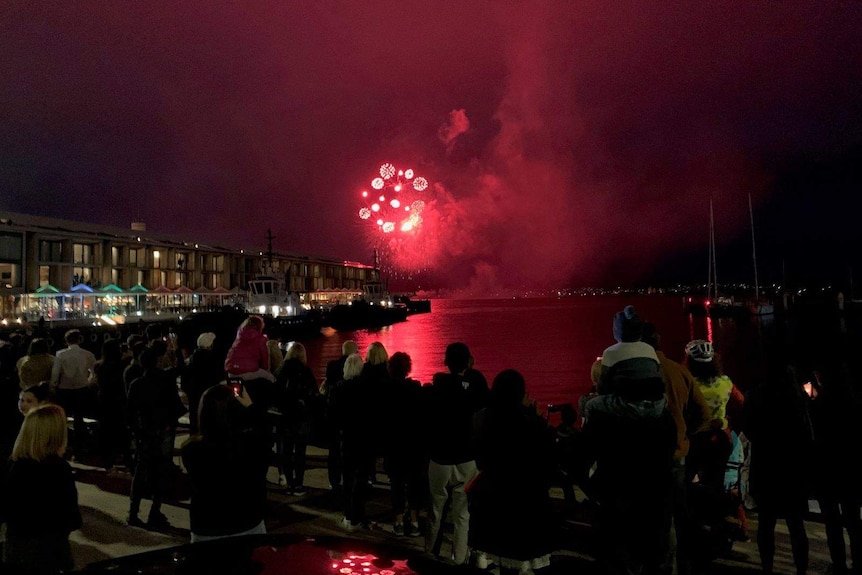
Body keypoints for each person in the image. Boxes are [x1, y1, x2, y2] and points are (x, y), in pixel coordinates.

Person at [581, 357, 677, 575]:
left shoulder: (603, 416)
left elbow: (585, 453)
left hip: (618, 499)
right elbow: (670, 451)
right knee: (657, 556)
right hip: (657, 497)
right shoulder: (664, 416)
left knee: (621, 557)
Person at [469, 369, 556, 575]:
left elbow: (481, 461)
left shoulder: (484, 421)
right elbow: (547, 462)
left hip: (496, 500)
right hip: (528, 502)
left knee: (504, 560)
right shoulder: (532, 424)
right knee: (532, 559)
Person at [642, 323, 711, 575]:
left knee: (657, 516)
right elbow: (705, 414)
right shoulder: (679, 371)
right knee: (679, 512)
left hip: (648, 457)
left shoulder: (638, 374)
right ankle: (687, 561)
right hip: (678, 455)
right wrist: (686, 434)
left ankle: (663, 565)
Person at [742, 353, 812, 575]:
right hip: (792, 467)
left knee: (766, 522)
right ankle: (801, 569)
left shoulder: (756, 395)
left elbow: (749, 429)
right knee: (796, 524)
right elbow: (807, 434)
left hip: (766, 465)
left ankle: (767, 567)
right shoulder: (798, 398)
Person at [424, 342, 489, 565]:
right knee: (462, 513)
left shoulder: (436, 388)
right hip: (467, 458)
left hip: (440, 457)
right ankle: (458, 558)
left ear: (446, 362)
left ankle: (431, 551)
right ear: (468, 361)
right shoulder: (476, 388)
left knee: (435, 509)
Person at [181, 382, 270, 543]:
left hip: (207, 525)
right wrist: (250, 408)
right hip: (248, 521)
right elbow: (264, 431)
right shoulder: (251, 444)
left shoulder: (191, 449)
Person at [0, 404, 82, 574]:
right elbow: (71, 517)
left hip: (17, 547)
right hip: (49, 549)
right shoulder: (59, 469)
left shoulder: (13, 465)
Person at [809, 360, 861, 575]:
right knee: (854, 520)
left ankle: (838, 564)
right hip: (850, 466)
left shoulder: (817, 406)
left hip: (826, 468)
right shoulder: (853, 402)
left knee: (832, 520)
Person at [126, 342, 186, 528]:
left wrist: (138, 431)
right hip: (164, 429)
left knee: (141, 471)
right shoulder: (166, 378)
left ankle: (134, 512)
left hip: (146, 431)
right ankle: (155, 511)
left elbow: (129, 412)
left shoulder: (137, 384)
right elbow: (181, 369)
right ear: (158, 361)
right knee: (162, 470)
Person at [683, 340, 744, 495]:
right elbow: (742, 404)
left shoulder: (688, 383)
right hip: (721, 439)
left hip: (693, 439)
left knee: (689, 481)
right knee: (716, 481)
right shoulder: (725, 382)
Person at [330, 353, 376, 530]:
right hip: (364, 439)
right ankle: (360, 515)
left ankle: (349, 516)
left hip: (346, 438)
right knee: (362, 479)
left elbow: (333, 415)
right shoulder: (367, 389)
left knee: (348, 479)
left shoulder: (338, 389)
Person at [384, 351, 424, 537]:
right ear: (407, 368)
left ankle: (398, 522)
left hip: (394, 444)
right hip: (413, 444)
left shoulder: (386, 390)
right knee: (414, 484)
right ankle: (415, 522)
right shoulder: (416, 389)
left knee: (397, 485)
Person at [274, 341, 319, 495]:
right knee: (300, 452)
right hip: (301, 417)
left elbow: (276, 393)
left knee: (286, 451)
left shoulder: (280, 371)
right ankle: (299, 484)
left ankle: (289, 484)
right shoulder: (305, 371)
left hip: (285, 416)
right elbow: (313, 393)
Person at [597, 305, 662, 400]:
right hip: (655, 404)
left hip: (628, 405)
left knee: (589, 405)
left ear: (617, 330)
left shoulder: (610, 352)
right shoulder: (649, 349)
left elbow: (603, 388)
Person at [320, 340, 359, 496]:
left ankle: (334, 481)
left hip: (334, 415)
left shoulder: (332, 366)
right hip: (350, 417)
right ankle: (348, 479)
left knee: (334, 450)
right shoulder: (356, 372)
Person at [50, 329, 97, 456]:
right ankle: (79, 445)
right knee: (79, 417)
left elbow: (55, 373)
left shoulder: (60, 354)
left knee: (63, 417)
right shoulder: (88, 354)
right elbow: (94, 372)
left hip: (64, 389)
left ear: (66, 341)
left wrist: (53, 385)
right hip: (81, 388)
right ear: (80, 339)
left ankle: (65, 443)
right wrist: (89, 382)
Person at [93, 338, 130, 469]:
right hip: (119, 399)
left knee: (106, 429)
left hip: (104, 399)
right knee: (122, 429)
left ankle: (108, 459)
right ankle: (126, 457)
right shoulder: (123, 364)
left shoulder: (98, 366)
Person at [182, 332, 224, 435]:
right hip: (210, 398)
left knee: (195, 424)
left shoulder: (189, 361)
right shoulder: (213, 361)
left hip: (194, 399)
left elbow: (184, 382)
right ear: (210, 345)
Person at [224, 315, 274, 382]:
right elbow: (265, 358)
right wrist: (266, 370)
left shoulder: (239, 336)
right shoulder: (261, 339)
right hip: (247, 371)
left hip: (231, 372)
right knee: (271, 378)